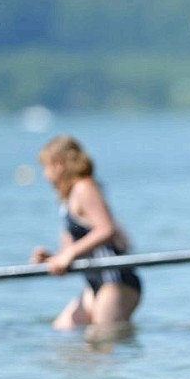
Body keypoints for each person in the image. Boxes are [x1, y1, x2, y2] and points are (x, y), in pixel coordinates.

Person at [31, 135, 141, 336]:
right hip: (96, 282)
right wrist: (53, 258)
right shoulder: (67, 199)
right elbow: (71, 249)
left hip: (116, 280)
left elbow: (106, 229)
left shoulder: (85, 187)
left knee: (103, 343)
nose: (45, 176)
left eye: (46, 168)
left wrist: (70, 253)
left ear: (59, 165)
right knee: (62, 335)